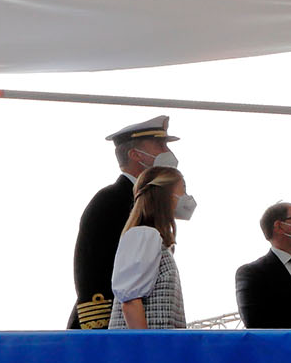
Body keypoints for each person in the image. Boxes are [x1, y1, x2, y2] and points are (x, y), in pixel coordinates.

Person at [67, 115, 181, 329]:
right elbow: (93, 270)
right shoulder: (111, 201)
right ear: (136, 154)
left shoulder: (142, 202)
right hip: (112, 331)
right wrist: (101, 328)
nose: (167, 152)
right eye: (159, 145)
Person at [108, 166, 195, 329]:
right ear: (165, 195)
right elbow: (131, 302)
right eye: (183, 189)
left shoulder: (154, 240)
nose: (186, 196)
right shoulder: (143, 236)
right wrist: (146, 349)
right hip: (144, 350)